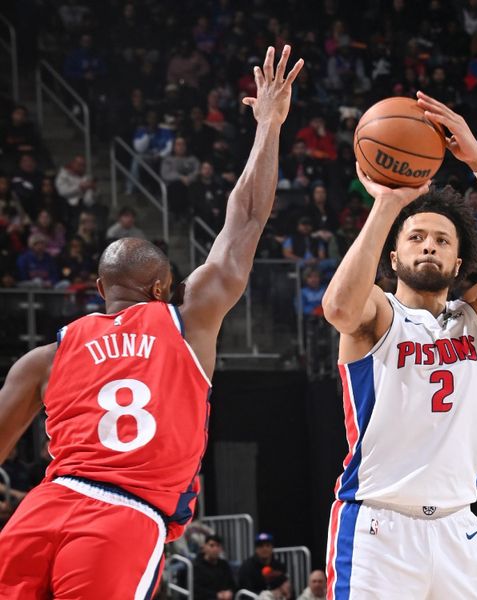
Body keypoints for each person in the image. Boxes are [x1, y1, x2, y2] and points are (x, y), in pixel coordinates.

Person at [0, 46, 304, 597]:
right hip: (124, 515)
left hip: (42, 509)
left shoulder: (47, 357)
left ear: (99, 291)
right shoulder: (186, 324)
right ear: (161, 288)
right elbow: (248, 217)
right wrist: (268, 125)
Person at [321, 91, 477, 599]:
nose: (429, 245)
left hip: (456, 530)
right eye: (416, 237)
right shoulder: (379, 314)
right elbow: (337, 309)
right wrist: (386, 206)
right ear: (394, 255)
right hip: (379, 527)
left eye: (443, 240)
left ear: (459, 260)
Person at [193, 534, 236, 600]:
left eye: (218, 546)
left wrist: (230, 592)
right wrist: (216, 595)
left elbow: (233, 584)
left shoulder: (224, 564)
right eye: (211, 545)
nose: (215, 549)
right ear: (204, 547)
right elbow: (196, 590)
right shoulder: (196, 566)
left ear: (221, 548)